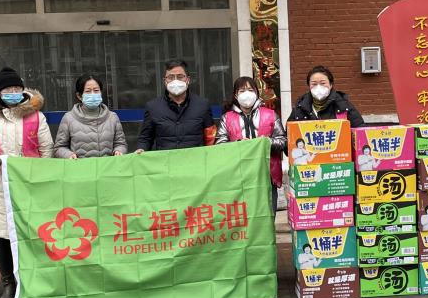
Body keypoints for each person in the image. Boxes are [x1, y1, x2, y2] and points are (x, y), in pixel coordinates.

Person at [0, 66, 52, 298]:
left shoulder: (35, 116)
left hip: (29, 184)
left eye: (17, 88)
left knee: (31, 234)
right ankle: (9, 283)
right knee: (4, 237)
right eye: (8, 89)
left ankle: (32, 280)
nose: (13, 93)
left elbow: (46, 148)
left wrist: (38, 173)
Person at [215, 76, 287, 212]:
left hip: (267, 175)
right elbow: (219, 145)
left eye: (250, 89)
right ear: (236, 95)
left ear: (256, 93)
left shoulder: (271, 115)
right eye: (242, 91)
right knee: (243, 217)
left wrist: (264, 143)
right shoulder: (227, 118)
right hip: (238, 177)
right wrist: (238, 145)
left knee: (267, 215)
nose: (246, 94)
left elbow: (283, 141)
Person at [135, 59, 213, 153]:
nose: (175, 81)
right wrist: (141, 148)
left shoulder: (202, 105)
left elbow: (210, 138)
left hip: (195, 160)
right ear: (165, 81)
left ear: (188, 79)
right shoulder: (153, 107)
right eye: (171, 77)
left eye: (180, 77)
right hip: (165, 161)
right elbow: (145, 138)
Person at [55, 74, 127, 159]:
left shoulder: (112, 117)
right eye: (88, 91)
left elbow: (121, 144)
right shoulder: (69, 118)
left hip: (107, 166)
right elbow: (59, 148)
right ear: (79, 96)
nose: (93, 94)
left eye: (96, 90)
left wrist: (119, 151)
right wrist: (68, 154)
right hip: (80, 166)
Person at [287, 66, 365, 127]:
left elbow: (359, 129)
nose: (318, 87)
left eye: (323, 83)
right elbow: (289, 133)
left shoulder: (343, 105)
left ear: (331, 85)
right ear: (309, 86)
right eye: (314, 84)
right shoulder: (300, 107)